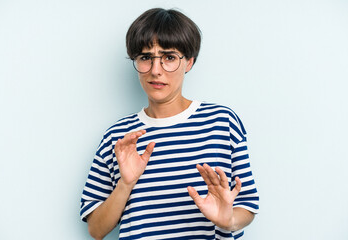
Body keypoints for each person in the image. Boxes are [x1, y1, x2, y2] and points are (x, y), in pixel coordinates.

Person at [80, 8, 259, 240]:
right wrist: (125, 184)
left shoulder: (222, 122)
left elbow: (248, 204)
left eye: (169, 58)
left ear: (189, 62)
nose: (156, 70)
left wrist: (229, 221)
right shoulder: (118, 137)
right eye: (146, 58)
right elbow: (96, 229)